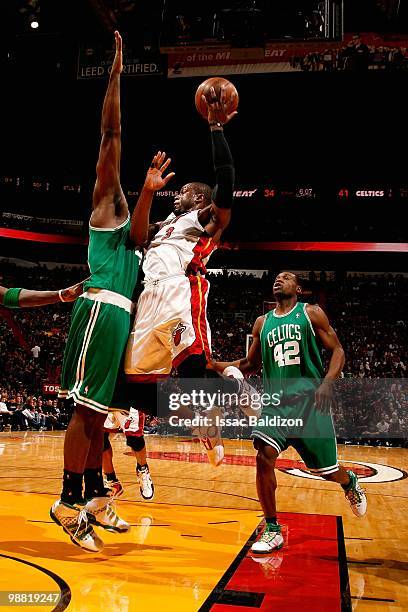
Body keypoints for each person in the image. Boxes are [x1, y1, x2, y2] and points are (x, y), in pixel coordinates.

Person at [51, 31, 174, 553]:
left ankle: (95, 496)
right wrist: (116, 75)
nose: (120, 173)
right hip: (100, 308)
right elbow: (110, 132)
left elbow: (143, 237)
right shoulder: (105, 205)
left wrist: (147, 192)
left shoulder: (130, 226)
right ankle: (66, 502)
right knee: (85, 411)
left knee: (100, 414)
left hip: (121, 317)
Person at [122, 85, 238, 466]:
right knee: (134, 387)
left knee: (191, 363)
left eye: (186, 190)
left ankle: (224, 395)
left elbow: (227, 181)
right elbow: (136, 236)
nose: (180, 192)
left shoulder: (203, 218)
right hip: (147, 299)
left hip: (177, 288)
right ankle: (203, 415)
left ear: (200, 200)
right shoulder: (166, 224)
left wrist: (216, 129)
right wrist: (146, 190)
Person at [213, 271, 367, 553]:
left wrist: (327, 384)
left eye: (286, 277)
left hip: (310, 404)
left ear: (299, 288)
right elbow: (249, 364)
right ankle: (272, 528)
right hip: (276, 406)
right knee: (264, 454)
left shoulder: (311, 313)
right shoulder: (262, 322)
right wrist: (213, 364)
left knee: (328, 471)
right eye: (277, 277)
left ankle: (349, 482)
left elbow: (339, 351)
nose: (279, 279)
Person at [103, 408, 154, 500]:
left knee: (135, 440)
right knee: (99, 437)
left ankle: (143, 469)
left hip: (128, 399)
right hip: (106, 398)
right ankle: (111, 480)